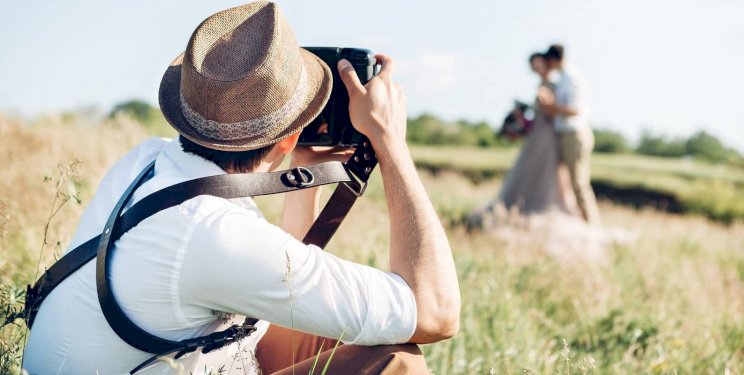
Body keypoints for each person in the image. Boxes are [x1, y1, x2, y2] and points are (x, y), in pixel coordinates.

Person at [22, 2, 460, 374]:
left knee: (309, 329)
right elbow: (436, 314)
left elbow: (268, 274)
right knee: (397, 360)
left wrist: (303, 171)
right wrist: (391, 145)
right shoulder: (213, 233)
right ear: (288, 134)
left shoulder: (148, 159)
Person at [496, 53, 570, 215]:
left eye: (538, 65)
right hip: (536, 133)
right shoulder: (542, 83)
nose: (536, 69)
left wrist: (547, 104)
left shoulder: (552, 84)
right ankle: (519, 205)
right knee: (528, 169)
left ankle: (543, 206)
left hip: (546, 135)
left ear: (546, 63)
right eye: (534, 67)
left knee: (544, 170)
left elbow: (552, 113)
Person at [538, 44, 600, 223]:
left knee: (579, 183)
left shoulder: (572, 78)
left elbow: (575, 110)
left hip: (575, 135)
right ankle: (580, 219)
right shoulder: (563, 77)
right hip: (566, 134)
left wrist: (551, 105)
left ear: (553, 60)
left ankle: (592, 224)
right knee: (567, 182)